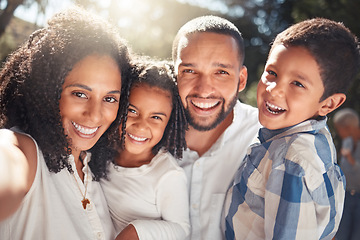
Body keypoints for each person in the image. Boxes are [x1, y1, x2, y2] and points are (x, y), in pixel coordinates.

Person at [0, 7, 131, 240]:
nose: (94, 115)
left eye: (110, 98)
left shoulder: (99, 171)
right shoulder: (25, 152)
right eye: (80, 93)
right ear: (47, 91)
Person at [225, 18, 360, 240]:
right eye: (272, 73)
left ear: (328, 104)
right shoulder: (312, 136)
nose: (274, 90)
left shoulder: (292, 164)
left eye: (298, 83)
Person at [172, 15, 261, 239]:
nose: (203, 89)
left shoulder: (267, 137)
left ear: (241, 80)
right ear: (174, 75)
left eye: (221, 72)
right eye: (190, 71)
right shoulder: (143, 135)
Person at [100, 59, 190, 240]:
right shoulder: (101, 152)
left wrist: (136, 231)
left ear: (169, 123)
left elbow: (182, 229)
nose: (141, 126)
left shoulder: (167, 174)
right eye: (132, 111)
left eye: (156, 117)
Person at [333, 108, 360, 240]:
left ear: (348, 127)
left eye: (339, 129)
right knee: (341, 235)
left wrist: (351, 159)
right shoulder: (347, 142)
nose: (339, 132)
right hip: (346, 195)